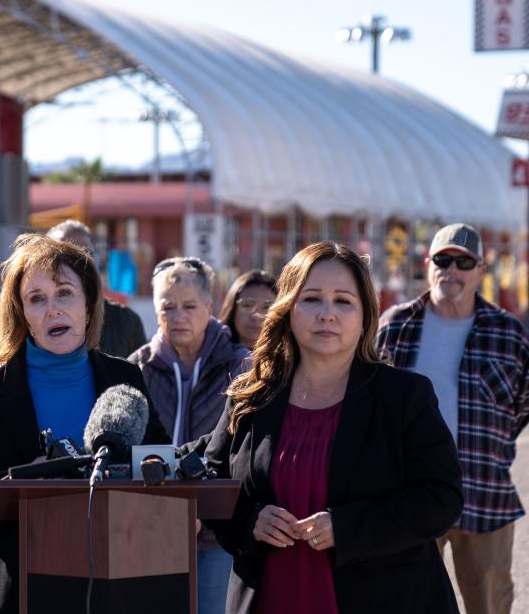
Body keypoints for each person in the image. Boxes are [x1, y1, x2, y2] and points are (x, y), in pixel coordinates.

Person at [184, 241, 463, 614]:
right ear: (288, 309)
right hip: (271, 598)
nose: (326, 314)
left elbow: (441, 499)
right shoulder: (252, 396)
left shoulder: (404, 397)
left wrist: (349, 527)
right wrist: (248, 520)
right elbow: (212, 480)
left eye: (343, 301)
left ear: (365, 314)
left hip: (386, 598)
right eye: (312, 298)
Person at [0, 233, 171, 614]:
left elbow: (160, 465)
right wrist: (27, 483)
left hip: (119, 577)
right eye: (36, 299)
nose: (52, 309)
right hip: (23, 584)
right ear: (21, 314)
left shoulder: (126, 377)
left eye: (64, 293)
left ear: (89, 305)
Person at [377, 223, 529, 614]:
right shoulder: (394, 326)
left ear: (480, 271)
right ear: (428, 264)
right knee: (403, 602)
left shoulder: (509, 334)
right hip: (406, 495)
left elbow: (521, 406)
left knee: (490, 605)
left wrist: (488, 449)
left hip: (483, 495)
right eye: (444, 260)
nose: (452, 270)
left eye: (465, 262)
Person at [127, 256, 249, 614]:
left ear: (210, 307)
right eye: (168, 306)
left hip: (218, 535)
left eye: (189, 306)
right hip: (152, 531)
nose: (178, 316)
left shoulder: (241, 367)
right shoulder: (136, 367)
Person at [47, 219, 147, 357]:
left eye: (86, 253)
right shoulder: (35, 318)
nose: (77, 262)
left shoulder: (127, 321)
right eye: (63, 255)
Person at [217, 270, 277, 349]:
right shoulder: (212, 355)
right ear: (232, 309)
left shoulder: (290, 358)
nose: (256, 316)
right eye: (247, 305)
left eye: (266, 307)